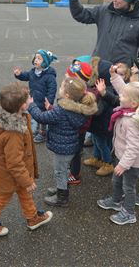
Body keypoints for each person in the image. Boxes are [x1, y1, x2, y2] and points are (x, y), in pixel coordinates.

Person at [0, 82, 53, 236]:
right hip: (9, 174)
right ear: (21, 106)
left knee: (25, 193)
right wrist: (27, 180)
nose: (31, 100)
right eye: (29, 99)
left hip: (19, 172)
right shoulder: (13, 133)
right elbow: (14, 162)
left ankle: (32, 217)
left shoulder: (16, 116)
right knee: (4, 196)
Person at [29, 77, 97, 207]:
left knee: (60, 171)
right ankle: (63, 187)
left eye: (61, 87)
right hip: (70, 145)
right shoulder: (79, 107)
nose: (59, 88)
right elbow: (61, 117)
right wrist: (51, 108)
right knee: (64, 169)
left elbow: (40, 117)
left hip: (62, 147)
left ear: (66, 95)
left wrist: (31, 105)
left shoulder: (61, 111)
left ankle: (62, 198)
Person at [97, 81, 139, 225]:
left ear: (134, 103)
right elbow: (125, 90)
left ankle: (129, 213)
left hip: (131, 163)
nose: (119, 96)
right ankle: (116, 201)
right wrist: (115, 77)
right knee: (116, 181)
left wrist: (123, 165)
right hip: (121, 157)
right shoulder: (127, 110)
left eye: (123, 95)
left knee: (128, 187)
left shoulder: (132, 122)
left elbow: (134, 148)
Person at [68, 0, 139, 66]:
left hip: (122, 72)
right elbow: (81, 15)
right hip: (98, 67)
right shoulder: (104, 11)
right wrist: (73, 0)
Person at [13, 49, 58, 143]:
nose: (36, 60)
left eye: (39, 59)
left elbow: (52, 90)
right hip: (33, 99)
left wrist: (49, 102)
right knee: (36, 116)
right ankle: (37, 130)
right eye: (36, 58)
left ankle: (43, 133)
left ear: (45, 62)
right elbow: (26, 76)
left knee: (42, 119)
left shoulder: (50, 76)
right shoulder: (33, 71)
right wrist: (19, 74)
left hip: (43, 101)